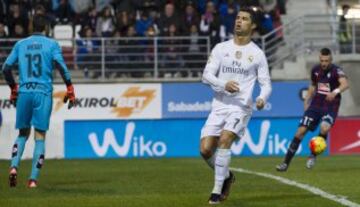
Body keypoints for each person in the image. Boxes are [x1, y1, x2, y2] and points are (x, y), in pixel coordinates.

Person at [200, 7, 272, 204]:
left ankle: (216, 191)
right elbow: (206, 76)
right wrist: (224, 84)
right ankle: (227, 176)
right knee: (205, 150)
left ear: (253, 25)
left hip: (241, 107)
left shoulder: (257, 54)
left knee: (225, 140)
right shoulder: (221, 48)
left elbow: (266, 84)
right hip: (219, 105)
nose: (239, 21)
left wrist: (262, 98)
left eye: (245, 19)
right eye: (238, 18)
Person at [2, 14, 76, 188]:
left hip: (25, 92)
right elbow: (62, 67)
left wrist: (13, 87)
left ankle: (13, 168)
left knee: (22, 134)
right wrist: (70, 87)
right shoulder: (52, 44)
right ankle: (33, 180)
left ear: (30, 26)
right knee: (40, 137)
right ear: (47, 28)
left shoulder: (20, 44)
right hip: (42, 93)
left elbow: (5, 67)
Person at [276, 48, 349, 172]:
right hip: (316, 105)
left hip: (331, 106)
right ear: (319, 59)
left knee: (324, 128)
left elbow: (345, 84)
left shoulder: (337, 70)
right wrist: (307, 100)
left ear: (330, 60)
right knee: (300, 132)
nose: (324, 63)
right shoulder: (315, 70)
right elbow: (313, 85)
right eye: (322, 60)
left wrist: (335, 92)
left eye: (326, 60)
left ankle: (313, 155)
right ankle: (285, 163)